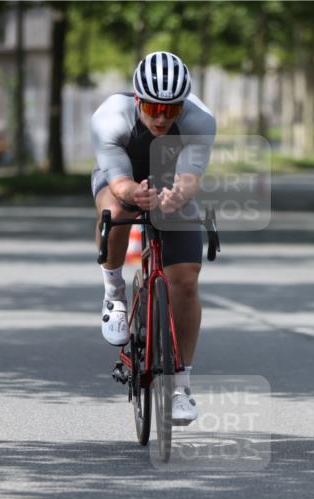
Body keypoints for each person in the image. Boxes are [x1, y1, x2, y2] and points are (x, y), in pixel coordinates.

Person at [90, 51, 216, 425]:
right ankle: (114, 293)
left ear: (182, 107)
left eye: (170, 110)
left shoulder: (201, 120)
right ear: (136, 99)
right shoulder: (110, 118)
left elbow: (190, 176)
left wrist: (179, 194)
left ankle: (180, 386)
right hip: (122, 176)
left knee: (187, 280)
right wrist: (134, 193)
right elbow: (118, 180)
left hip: (169, 176)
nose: (160, 117)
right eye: (151, 107)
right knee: (116, 210)